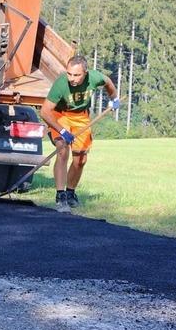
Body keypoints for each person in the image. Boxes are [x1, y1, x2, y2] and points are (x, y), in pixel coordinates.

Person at [40, 55, 119, 213]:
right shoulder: (61, 84)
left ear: (85, 73)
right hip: (59, 115)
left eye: (76, 75)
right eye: (69, 74)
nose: (71, 78)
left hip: (81, 117)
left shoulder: (95, 77)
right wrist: (62, 130)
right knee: (62, 149)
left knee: (81, 159)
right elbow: (44, 111)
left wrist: (114, 98)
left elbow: (108, 82)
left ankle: (70, 193)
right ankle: (60, 196)